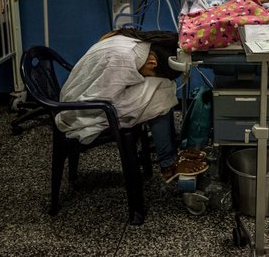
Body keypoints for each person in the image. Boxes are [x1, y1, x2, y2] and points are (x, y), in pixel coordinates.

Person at [55, 28, 207, 181]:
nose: (148, 76)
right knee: (160, 94)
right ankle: (168, 165)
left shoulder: (140, 45)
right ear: (152, 62)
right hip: (82, 109)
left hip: (88, 95)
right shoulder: (124, 59)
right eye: (151, 73)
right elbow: (103, 97)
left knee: (161, 88)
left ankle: (170, 153)